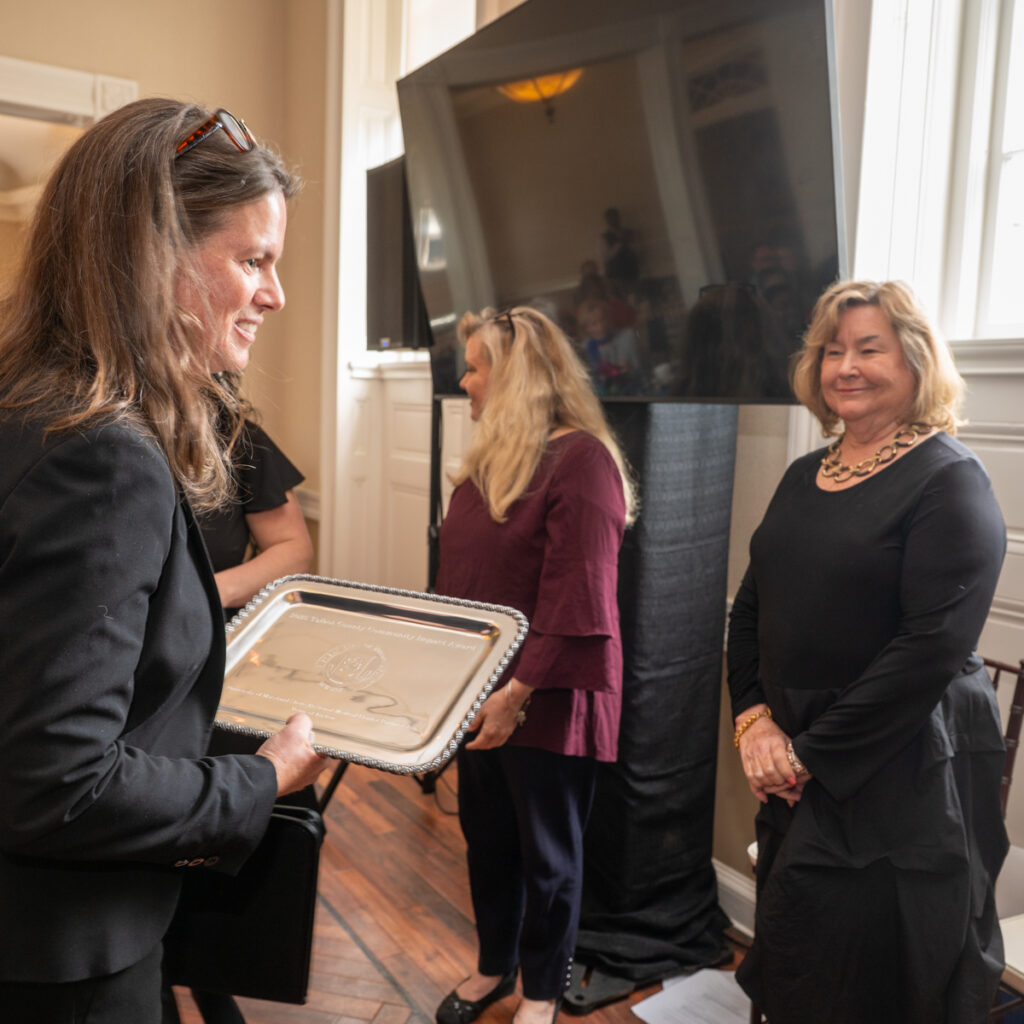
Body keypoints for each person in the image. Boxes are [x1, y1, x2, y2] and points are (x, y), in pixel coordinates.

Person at [0, 98, 333, 1023]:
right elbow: (59, 782)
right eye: (252, 260)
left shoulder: (31, 404)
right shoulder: (100, 456)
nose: (275, 295)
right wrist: (263, 779)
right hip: (58, 956)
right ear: (153, 256)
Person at [727, 280, 1008, 1023]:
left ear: (915, 361)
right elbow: (752, 604)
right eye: (832, 350)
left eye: (869, 349)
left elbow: (929, 651)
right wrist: (754, 721)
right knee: (802, 960)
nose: (845, 366)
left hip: (900, 773)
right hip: (794, 760)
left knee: (871, 984)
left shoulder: (950, 480)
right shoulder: (804, 473)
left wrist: (806, 756)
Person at [433, 306, 636, 1024]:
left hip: (547, 695)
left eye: (475, 368)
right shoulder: (485, 466)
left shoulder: (583, 463)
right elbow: (460, 581)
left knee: (548, 857)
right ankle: (494, 966)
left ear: (515, 376)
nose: (464, 382)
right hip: (479, 694)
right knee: (486, 840)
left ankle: (542, 991)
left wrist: (515, 695)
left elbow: (578, 597)